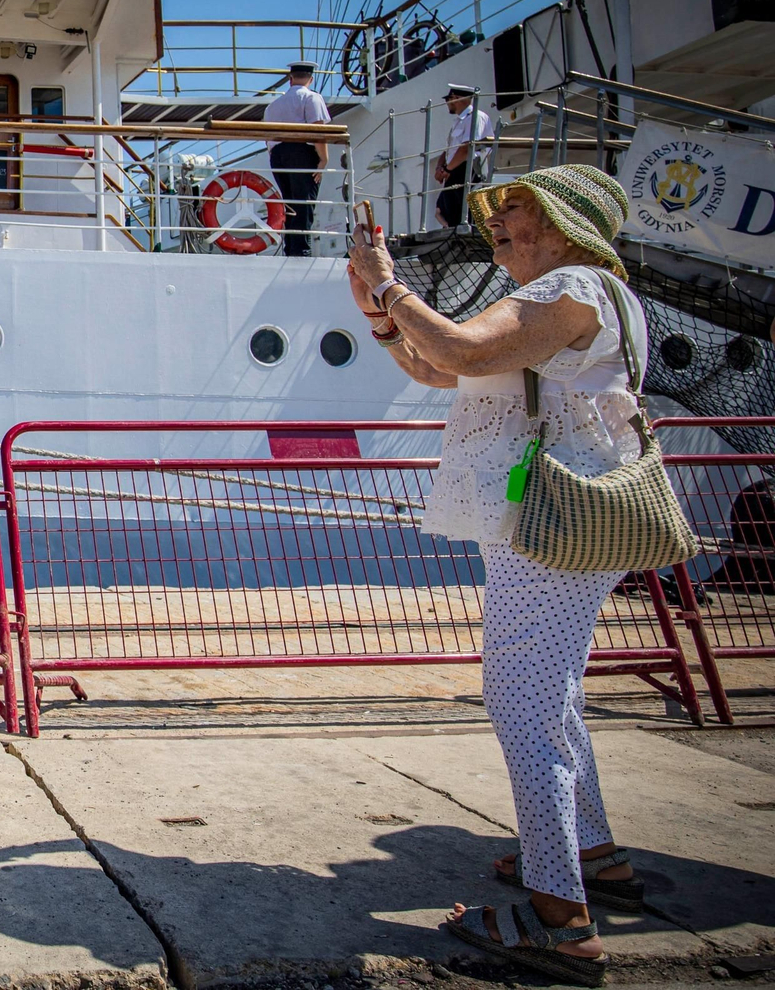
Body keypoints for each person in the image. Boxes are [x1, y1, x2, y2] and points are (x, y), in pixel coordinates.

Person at [347, 164, 649, 988]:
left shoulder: (572, 288)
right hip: (563, 517)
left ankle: (561, 918)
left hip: (551, 522)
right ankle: (594, 855)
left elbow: (461, 348)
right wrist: (379, 314)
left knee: (521, 701)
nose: (501, 233)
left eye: (519, 218)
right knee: (554, 694)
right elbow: (439, 372)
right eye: (502, 219)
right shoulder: (579, 299)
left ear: (565, 226)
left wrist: (389, 285)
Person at [263, 60, 331, 256]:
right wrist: (323, 160)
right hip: (302, 152)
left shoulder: (273, 106)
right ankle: (301, 250)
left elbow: (268, 140)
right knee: (304, 202)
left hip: (278, 156)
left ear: (290, 79)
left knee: (290, 202)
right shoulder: (312, 98)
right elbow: (317, 130)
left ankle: (291, 248)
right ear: (311, 79)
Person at [434, 84, 493, 228]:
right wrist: (440, 167)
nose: (447, 103)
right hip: (454, 168)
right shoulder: (460, 121)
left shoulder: (476, 117)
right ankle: (453, 231)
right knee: (441, 209)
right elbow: (449, 150)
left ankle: (461, 232)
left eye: (448, 99)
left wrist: (447, 170)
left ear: (456, 98)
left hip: (468, 168)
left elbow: (467, 149)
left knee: (462, 212)